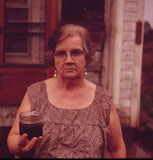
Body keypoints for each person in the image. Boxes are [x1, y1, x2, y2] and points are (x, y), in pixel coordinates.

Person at [7, 24, 126, 158]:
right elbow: (14, 136)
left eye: (76, 52)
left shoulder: (103, 100)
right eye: (61, 53)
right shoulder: (35, 93)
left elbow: (117, 149)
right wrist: (19, 147)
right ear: (53, 58)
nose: (69, 60)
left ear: (86, 57)